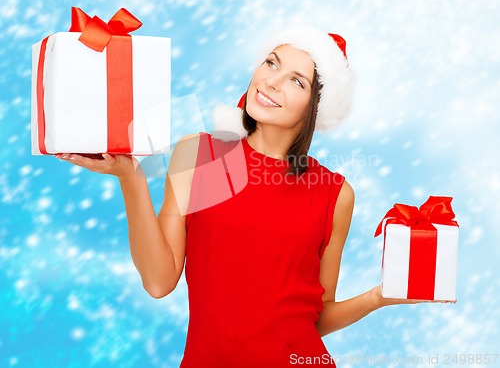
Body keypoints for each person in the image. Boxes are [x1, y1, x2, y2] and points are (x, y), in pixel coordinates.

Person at [56, 25, 431, 367]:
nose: (271, 82)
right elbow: (159, 281)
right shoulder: (198, 154)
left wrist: (377, 298)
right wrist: (131, 177)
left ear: (315, 108)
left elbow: (314, 319)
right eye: (271, 63)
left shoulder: (335, 193)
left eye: (296, 81)